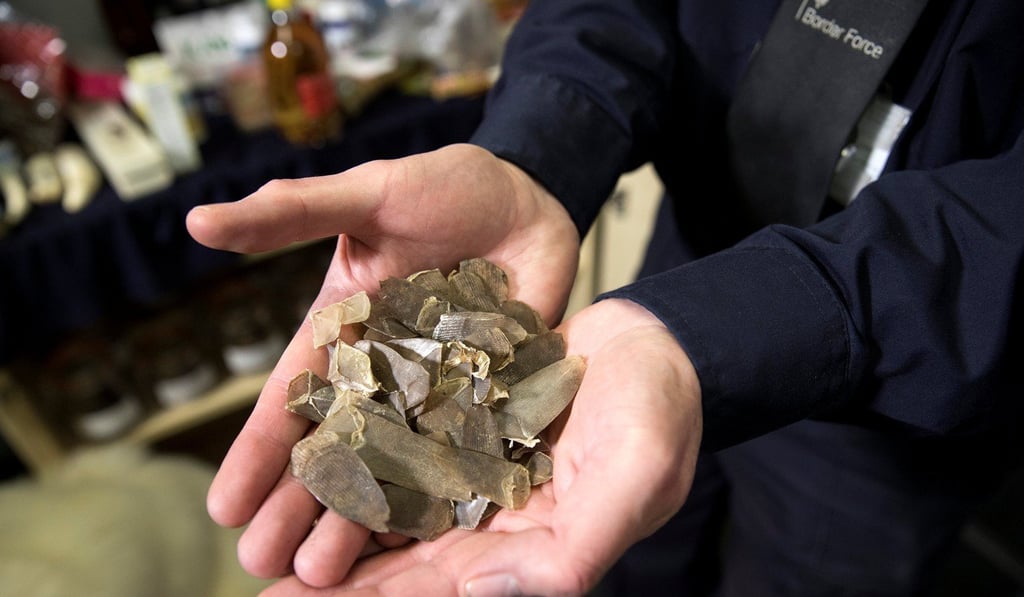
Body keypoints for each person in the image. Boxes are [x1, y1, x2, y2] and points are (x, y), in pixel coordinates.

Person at [186, 0, 1024, 594]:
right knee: (632, 558)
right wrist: (535, 151)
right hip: (682, 279)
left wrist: (779, 314)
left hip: (921, 375)